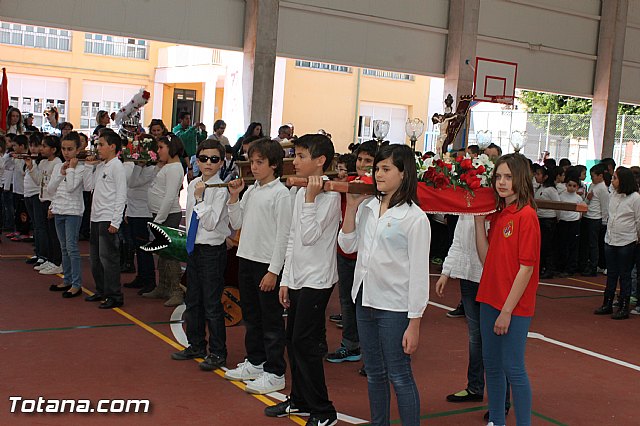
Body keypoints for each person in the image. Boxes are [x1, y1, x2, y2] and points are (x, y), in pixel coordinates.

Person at [339, 144, 430, 426]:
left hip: (394, 307)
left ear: (404, 174)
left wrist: (414, 322)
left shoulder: (415, 218)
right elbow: (347, 244)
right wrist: (351, 209)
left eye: (386, 169)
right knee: (375, 373)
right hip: (364, 299)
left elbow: (418, 274)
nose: (378, 173)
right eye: (376, 168)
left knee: (399, 375)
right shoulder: (367, 207)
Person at [264, 134, 339, 426]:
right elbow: (294, 238)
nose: (294, 161)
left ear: (320, 161)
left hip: (318, 280)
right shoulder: (298, 192)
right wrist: (286, 279)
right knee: (292, 341)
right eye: (294, 155)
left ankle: (324, 410)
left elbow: (310, 237)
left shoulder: (330, 196)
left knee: (305, 343)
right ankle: (299, 399)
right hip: (297, 279)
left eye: (301, 156)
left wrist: (310, 198)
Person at [474, 153, 540, 426]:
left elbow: (526, 269)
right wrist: (478, 222)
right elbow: (486, 257)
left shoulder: (527, 217)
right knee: (492, 366)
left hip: (513, 307)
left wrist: (507, 311)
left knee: (512, 367)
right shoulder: (500, 215)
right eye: (498, 176)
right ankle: (497, 421)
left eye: (508, 177)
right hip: (489, 299)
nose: (501, 182)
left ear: (521, 179)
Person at [225, 138, 291, 394]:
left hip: (266, 265)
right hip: (247, 260)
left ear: (274, 165)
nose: (253, 167)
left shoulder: (281, 194)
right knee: (252, 317)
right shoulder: (251, 190)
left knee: (271, 320)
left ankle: (275, 372)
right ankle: (256, 361)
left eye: (259, 162)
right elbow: (237, 220)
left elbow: (284, 235)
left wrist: (274, 271)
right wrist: (234, 197)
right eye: (252, 161)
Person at [171, 139, 230, 371]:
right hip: (194, 248)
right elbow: (190, 220)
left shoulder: (220, 189)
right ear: (196, 160)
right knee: (192, 299)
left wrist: (199, 199)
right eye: (203, 158)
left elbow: (212, 222)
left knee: (212, 303)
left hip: (212, 251)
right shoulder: (195, 182)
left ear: (221, 162)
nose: (208, 163)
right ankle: (196, 344)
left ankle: (218, 352)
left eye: (214, 159)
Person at [326, 141, 374, 359]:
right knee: (346, 300)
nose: (362, 165)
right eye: (360, 160)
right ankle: (350, 344)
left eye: (369, 161)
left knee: (367, 305)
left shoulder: (379, 191)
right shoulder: (350, 184)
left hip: (367, 258)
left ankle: (371, 352)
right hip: (345, 252)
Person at [84, 129, 127, 309]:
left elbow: (121, 195)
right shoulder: (101, 166)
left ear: (112, 146)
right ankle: (101, 289)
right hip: (96, 217)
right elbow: (88, 186)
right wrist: (88, 166)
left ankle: (114, 295)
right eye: (97, 144)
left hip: (108, 218)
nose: (98, 148)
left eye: (101, 145)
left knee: (108, 259)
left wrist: (115, 221)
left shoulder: (117, 166)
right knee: (95, 259)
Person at [142, 134, 186, 307]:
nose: (158, 151)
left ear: (171, 147)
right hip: (160, 214)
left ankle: (176, 290)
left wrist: (158, 221)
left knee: (171, 255)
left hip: (167, 216)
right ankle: (163, 286)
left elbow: (169, 197)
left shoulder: (175, 168)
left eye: (161, 148)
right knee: (163, 254)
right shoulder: (167, 167)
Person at [47, 131, 90, 298]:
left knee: (72, 248)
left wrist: (71, 170)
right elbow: (51, 189)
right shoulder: (59, 166)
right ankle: (67, 279)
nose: (66, 152)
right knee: (63, 247)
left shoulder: (80, 168)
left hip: (73, 211)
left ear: (77, 150)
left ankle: (76, 284)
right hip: (59, 210)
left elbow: (72, 187)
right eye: (64, 149)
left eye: (70, 149)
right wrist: (61, 172)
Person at [594, 167, 640, 320]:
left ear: (623, 181)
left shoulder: (635, 198)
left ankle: (624, 305)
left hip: (626, 240)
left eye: (615, 178)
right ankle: (607, 303)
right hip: (611, 239)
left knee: (625, 274)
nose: (612, 180)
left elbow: (638, 220)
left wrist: (637, 237)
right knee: (612, 273)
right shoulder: (613, 195)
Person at [122, 135, 158, 296]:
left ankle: (149, 279)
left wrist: (138, 166)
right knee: (137, 247)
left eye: (144, 149)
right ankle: (141, 276)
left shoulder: (151, 169)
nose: (141, 152)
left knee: (144, 248)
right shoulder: (141, 167)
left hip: (143, 212)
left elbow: (133, 183)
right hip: (134, 210)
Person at [25, 135, 63, 275]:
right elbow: (38, 181)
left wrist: (53, 205)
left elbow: (57, 187)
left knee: (54, 234)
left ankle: (57, 261)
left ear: (53, 149)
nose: (41, 149)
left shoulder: (57, 163)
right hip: (43, 199)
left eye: (44, 146)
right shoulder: (43, 163)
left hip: (51, 202)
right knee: (47, 231)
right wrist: (30, 167)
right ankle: (50, 259)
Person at [582, 163, 609, 277]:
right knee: (586, 243)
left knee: (593, 244)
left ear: (600, 176)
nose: (592, 178)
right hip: (588, 215)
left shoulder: (603, 188)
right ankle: (586, 264)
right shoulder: (593, 185)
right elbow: (588, 200)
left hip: (595, 218)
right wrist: (587, 199)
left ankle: (593, 266)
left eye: (593, 176)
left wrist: (604, 221)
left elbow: (605, 206)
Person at [535, 166, 559, 279]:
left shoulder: (551, 190)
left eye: (539, 174)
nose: (536, 176)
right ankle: (540, 268)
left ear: (545, 177)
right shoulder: (540, 188)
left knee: (547, 246)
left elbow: (558, 205)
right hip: (540, 218)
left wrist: (557, 219)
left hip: (548, 219)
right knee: (540, 245)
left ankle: (549, 269)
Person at [556, 177, 583, 277]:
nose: (571, 188)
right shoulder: (561, 196)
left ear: (577, 187)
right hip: (563, 222)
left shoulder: (578, 198)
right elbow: (558, 210)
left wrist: (578, 218)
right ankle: (561, 267)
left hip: (574, 223)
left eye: (574, 186)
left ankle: (570, 268)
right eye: (570, 185)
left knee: (573, 247)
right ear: (566, 185)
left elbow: (581, 212)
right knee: (563, 245)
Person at [24, 133, 44, 264]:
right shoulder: (29, 159)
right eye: (31, 145)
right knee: (35, 226)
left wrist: (31, 166)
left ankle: (43, 255)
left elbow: (38, 180)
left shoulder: (41, 161)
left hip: (37, 194)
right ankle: (38, 252)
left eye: (36, 146)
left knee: (39, 226)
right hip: (28, 194)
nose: (33, 149)